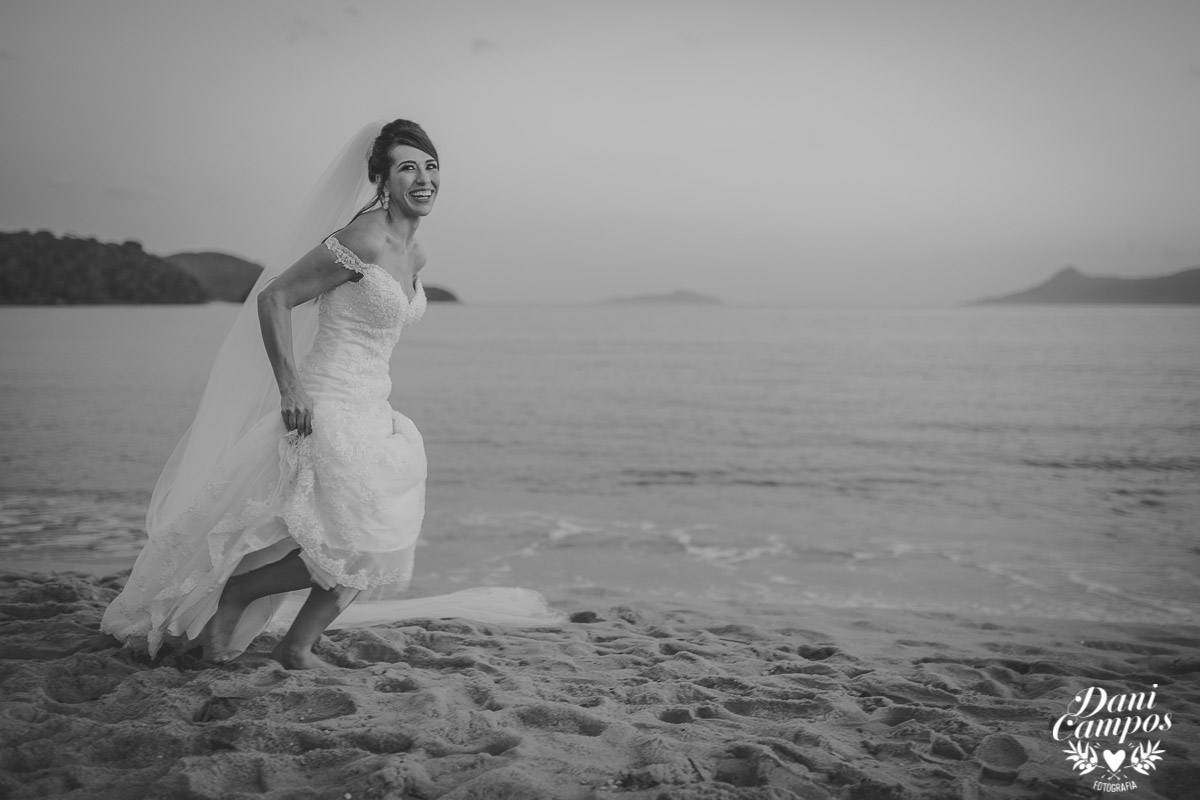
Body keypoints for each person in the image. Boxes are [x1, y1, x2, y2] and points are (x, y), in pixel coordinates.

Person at [101, 120, 563, 668]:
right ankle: (240, 592)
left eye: (431, 166)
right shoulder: (359, 239)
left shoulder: (416, 256)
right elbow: (273, 299)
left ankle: (296, 648)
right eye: (407, 167)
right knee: (357, 540)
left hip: (373, 405)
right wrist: (290, 386)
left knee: (382, 539)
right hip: (325, 401)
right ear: (382, 180)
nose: (423, 178)